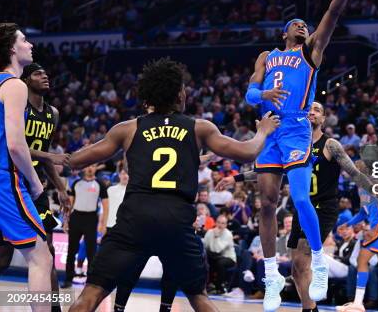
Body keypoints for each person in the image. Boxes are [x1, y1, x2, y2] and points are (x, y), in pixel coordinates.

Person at [64, 58, 280, 312]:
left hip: (135, 217)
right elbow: (247, 152)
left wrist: (43, 155)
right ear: (179, 94)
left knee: (91, 293)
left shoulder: (128, 128)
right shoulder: (199, 127)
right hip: (176, 219)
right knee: (199, 297)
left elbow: (74, 161)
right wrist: (263, 131)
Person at [245, 0, 376, 311]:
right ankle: (272, 276)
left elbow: (334, 11)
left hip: (297, 129)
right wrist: (263, 92)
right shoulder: (267, 57)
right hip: (270, 129)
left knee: (300, 199)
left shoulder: (311, 51)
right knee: (267, 204)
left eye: (306, 24)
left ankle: (319, 261)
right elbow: (250, 92)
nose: (304, 26)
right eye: (297, 24)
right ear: (285, 31)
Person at [216, 101, 378, 312]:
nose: (312, 112)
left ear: (323, 119)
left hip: (324, 206)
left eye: (317, 110)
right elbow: (269, 171)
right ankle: (310, 309)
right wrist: (235, 178)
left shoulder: (330, 145)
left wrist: (376, 191)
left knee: (304, 253)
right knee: (297, 266)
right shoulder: (291, 144)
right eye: (309, 109)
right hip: (302, 208)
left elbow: (354, 173)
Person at [0, 62, 70, 312]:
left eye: (46, 72)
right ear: (27, 80)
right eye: (39, 73)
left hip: (35, 187)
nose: (45, 76)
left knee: (46, 251)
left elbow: (46, 154)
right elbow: (12, 144)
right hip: (12, 183)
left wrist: (61, 188)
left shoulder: (53, 113)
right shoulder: (17, 104)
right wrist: (49, 158)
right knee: (4, 256)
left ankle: (54, 307)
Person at [0, 23, 54, 311]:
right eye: (24, 40)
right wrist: (35, 184)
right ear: (11, 48)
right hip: (5, 180)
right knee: (40, 257)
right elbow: (16, 145)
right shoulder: (14, 85)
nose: (30, 44)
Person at [62, 164, 108, 289]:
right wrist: (66, 221)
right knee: (72, 250)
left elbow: (106, 206)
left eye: (93, 166)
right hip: (76, 217)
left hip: (91, 218)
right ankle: (68, 279)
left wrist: (103, 224)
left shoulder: (100, 184)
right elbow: (69, 205)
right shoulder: (76, 183)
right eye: (88, 166)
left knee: (91, 252)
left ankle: (90, 281)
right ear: (83, 168)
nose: (90, 168)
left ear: (96, 168)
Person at [203, 214, 237, 294]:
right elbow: (205, 246)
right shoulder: (210, 232)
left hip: (228, 258)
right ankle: (207, 285)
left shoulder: (228, 234)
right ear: (215, 223)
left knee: (220, 263)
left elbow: (217, 250)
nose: (220, 225)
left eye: (223, 223)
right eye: (218, 222)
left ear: (225, 225)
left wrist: (216, 236)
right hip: (214, 256)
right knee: (204, 259)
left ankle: (219, 286)